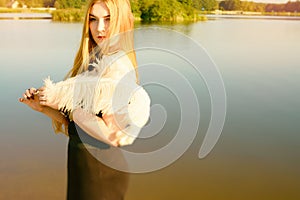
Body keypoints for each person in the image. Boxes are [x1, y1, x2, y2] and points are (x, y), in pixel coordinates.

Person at [19, 0, 150, 199]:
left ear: (121, 21)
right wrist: (42, 107)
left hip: (100, 169)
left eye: (108, 19)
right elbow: (74, 123)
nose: (100, 28)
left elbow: (113, 136)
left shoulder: (117, 66)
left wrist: (67, 102)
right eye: (93, 19)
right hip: (82, 163)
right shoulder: (93, 63)